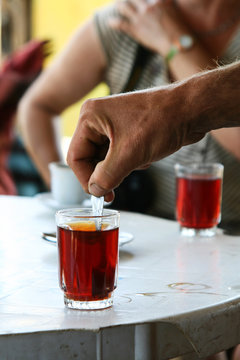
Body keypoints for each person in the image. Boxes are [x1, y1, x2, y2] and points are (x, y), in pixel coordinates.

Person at [18, 0, 240, 224]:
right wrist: (70, 195)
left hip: (229, 239)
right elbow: (37, 107)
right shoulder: (129, 16)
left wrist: (175, 43)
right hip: (132, 235)